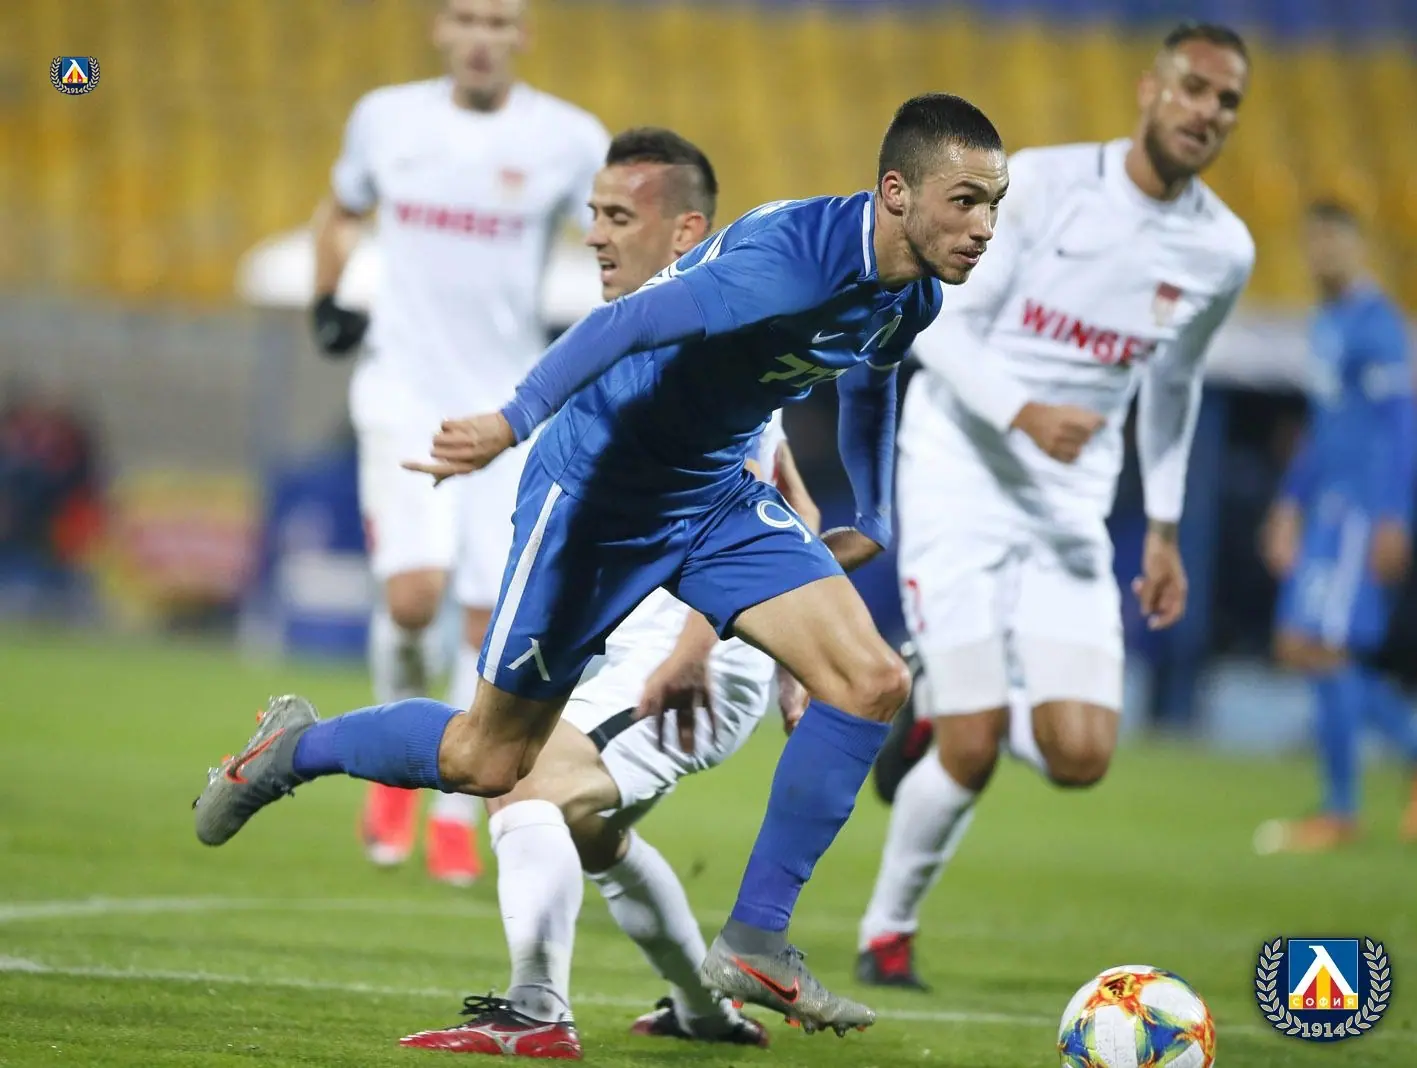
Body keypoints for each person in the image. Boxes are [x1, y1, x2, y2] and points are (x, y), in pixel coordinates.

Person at [195, 92, 1010, 1033]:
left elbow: (874, 372)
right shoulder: (788, 263)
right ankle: (294, 750)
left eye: (994, 204)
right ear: (897, 192)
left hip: (711, 495)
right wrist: (511, 420)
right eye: (964, 201)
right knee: (487, 759)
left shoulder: (914, 291)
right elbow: (627, 323)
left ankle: (755, 940)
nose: (983, 228)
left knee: (870, 680)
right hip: (596, 494)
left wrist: (871, 509)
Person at [855, 21, 1255, 990]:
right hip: (959, 467)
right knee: (974, 747)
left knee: (1079, 755)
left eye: (1226, 101)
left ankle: (939, 695)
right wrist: (1024, 412)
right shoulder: (1040, 184)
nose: (1206, 111)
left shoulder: (1221, 249)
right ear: (1149, 89)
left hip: (1069, 501)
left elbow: (1175, 385)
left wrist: (1163, 528)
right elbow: (936, 326)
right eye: (1192, 87)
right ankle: (885, 933)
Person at [400, 125, 792, 1058]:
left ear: (686, 231)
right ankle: (700, 1013)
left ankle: (536, 1011)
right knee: (587, 832)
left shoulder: (706, 342)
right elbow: (792, 498)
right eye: (593, 214)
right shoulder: (667, 330)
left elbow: (756, 498)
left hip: (683, 645)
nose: (594, 236)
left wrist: (702, 647)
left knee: (521, 780)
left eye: (618, 216)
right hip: (640, 636)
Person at [309, 0, 608, 884]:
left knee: (488, 619)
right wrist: (327, 295)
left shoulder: (567, 138)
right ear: (439, 28)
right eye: (467, 18)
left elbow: (612, 235)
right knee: (412, 599)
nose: (483, 37)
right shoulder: (385, 118)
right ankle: (390, 762)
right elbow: (340, 211)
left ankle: (449, 810)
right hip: (402, 393)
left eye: (500, 22)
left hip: (506, 408)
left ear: (523, 35)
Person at [1253, 200, 1417, 854]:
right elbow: (1323, 428)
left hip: (1359, 512)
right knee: (1301, 645)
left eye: (1332, 242)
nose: (1321, 255)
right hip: (1324, 508)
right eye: (1313, 243)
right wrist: (1287, 505)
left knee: (1324, 648)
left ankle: (1341, 810)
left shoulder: (1378, 325)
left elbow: (1401, 428)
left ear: (1358, 247)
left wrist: (1393, 516)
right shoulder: (1325, 322)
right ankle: (1346, 801)